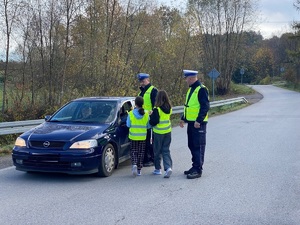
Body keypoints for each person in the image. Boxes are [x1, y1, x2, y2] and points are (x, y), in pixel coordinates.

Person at [179, 70, 210, 179]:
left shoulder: (201, 89)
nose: (186, 80)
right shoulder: (191, 90)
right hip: (191, 123)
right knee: (191, 145)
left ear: (191, 78)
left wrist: (199, 120)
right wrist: (183, 118)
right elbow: (188, 106)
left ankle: (198, 170)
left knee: (198, 146)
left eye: (186, 78)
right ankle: (194, 166)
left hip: (198, 124)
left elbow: (205, 106)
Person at [149, 90, 173, 178]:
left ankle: (157, 169)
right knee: (166, 150)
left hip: (158, 133)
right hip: (168, 132)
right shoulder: (169, 108)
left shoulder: (157, 109)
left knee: (157, 151)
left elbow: (153, 122)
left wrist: (151, 115)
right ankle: (168, 168)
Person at [136, 72, 158, 167]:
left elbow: (155, 106)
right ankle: (146, 159)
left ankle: (152, 159)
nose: (142, 83)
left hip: (149, 120)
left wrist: (152, 117)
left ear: (148, 80)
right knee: (145, 141)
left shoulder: (153, 90)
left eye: (143, 81)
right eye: (141, 81)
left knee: (150, 142)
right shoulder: (141, 92)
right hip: (142, 121)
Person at [126, 96, 150, 177]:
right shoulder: (146, 114)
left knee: (133, 151)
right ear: (143, 104)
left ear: (135, 104)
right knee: (141, 152)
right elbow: (148, 126)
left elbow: (128, 125)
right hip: (142, 137)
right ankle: (139, 170)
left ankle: (134, 164)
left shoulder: (131, 113)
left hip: (133, 136)